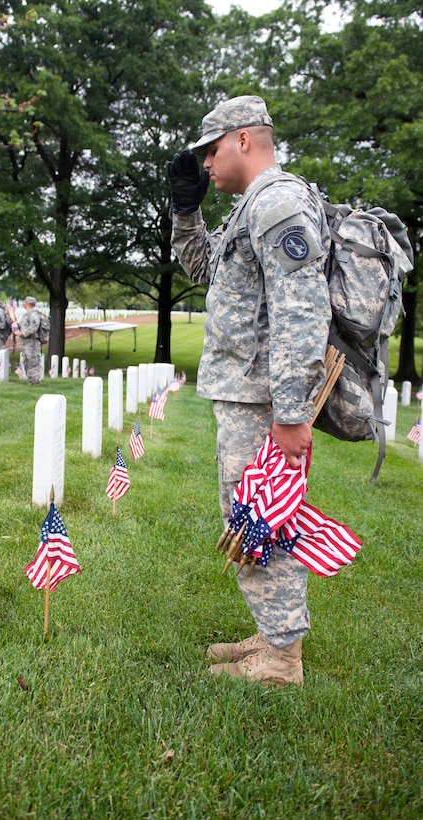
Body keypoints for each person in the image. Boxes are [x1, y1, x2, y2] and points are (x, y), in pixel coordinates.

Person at [167, 95, 331, 685]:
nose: (205, 165)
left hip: (264, 399)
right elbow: (204, 268)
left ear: (243, 139)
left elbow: (301, 312)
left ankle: (282, 658)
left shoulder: (279, 203)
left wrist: (291, 410)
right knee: (253, 518)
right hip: (246, 392)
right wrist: (186, 212)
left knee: (264, 520)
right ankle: (271, 633)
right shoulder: (250, 208)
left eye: (210, 151)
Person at [16, 296, 42, 385]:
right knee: (26, 361)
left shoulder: (33, 315)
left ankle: (35, 381)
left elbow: (34, 327)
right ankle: (31, 381)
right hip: (26, 343)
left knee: (33, 361)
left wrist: (22, 333)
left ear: (27, 304)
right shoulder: (27, 314)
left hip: (32, 342)